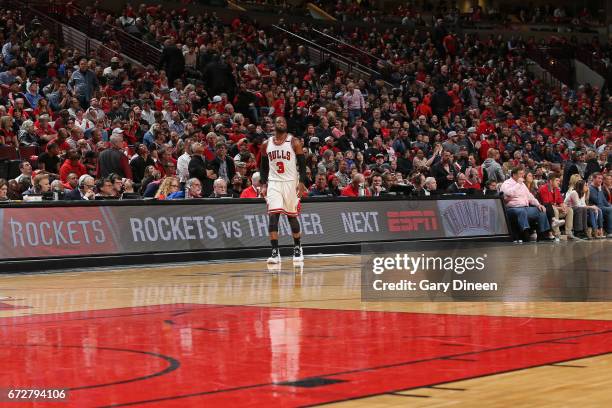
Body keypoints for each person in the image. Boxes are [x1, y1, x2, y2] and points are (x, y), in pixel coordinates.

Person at [259, 116, 306, 264]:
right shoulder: (266, 144)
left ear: (286, 125)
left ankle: (297, 247)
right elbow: (263, 167)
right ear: (273, 125)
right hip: (274, 182)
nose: (281, 123)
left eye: (283, 122)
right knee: (273, 216)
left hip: (291, 182)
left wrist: (302, 182)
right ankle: (275, 252)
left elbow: (302, 165)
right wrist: (264, 184)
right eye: (278, 121)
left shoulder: (294, 142)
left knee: (292, 216)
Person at [500, 167, 553, 243]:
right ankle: (525, 234)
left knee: (541, 211)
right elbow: (508, 193)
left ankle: (542, 235)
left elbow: (530, 196)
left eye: (523, 174)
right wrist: (518, 184)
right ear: (514, 175)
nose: (522, 175)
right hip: (512, 208)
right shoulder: (507, 183)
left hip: (525, 207)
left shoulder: (522, 184)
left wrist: (538, 205)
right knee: (521, 212)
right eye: (520, 174)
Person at [538, 173, 574, 240]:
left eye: (559, 181)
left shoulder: (556, 189)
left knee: (570, 210)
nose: (559, 182)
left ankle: (568, 232)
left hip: (555, 208)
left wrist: (563, 207)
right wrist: (560, 208)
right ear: (551, 181)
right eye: (557, 181)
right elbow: (547, 205)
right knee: (555, 210)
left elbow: (560, 201)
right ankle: (557, 233)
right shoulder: (543, 189)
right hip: (546, 211)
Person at [588, 172, 612, 238]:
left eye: (601, 178)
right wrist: (599, 190)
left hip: (602, 207)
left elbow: (604, 201)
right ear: (593, 179)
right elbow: (597, 201)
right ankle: (609, 231)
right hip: (595, 208)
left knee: (610, 207)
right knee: (610, 210)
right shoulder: (590, 188)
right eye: (599, 178)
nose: (600, 180)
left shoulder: (599, 188)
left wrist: (610, 205)